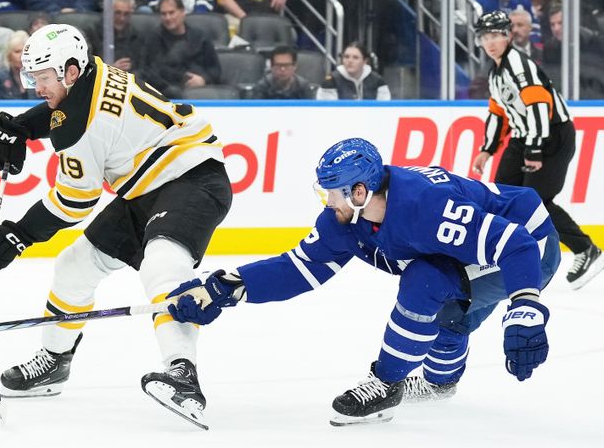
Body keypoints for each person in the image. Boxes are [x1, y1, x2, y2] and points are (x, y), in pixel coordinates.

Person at [165, 137, 560, 425]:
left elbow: (518, 244)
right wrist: (229, 286)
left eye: (332, 193)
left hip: (530, 245)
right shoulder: (346, 220)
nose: (326, 202)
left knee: (426, 281)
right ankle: (441, 384)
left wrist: (526, 306)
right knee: (448, 309)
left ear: (359, 190)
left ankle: (387, 383)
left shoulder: (425, 207)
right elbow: (298, 268)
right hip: (473, 252)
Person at [0, 23, 231, 429]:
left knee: (162, 265)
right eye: (33, 77)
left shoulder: (80, 129)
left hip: (193, 179)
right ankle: (54, 362)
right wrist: (23, 126)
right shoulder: (90, 71)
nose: (36, 87)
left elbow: (74, 202)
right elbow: (66, 108)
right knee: (75, 266)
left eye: (43, 78)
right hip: (146, 188)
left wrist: (16, 235)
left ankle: (183, 375)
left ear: (70, 72)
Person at [470, 11, 604, 289]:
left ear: (507, 35)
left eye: (496, 34)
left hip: (551, 136)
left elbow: (538, 105)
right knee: (502, 197)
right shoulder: (496, 72)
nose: (491, 41)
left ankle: (585, 249)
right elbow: (499, 112)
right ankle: (502, 253)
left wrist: (534, 149)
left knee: (536, 202)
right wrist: (487, 149)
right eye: (485, 36)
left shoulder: (518, 65)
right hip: (525, 137)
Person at [138, 0, 220, 98]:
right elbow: (148, 72)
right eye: (164, 14)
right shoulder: (153, 38)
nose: (168, 18)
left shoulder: (200, 37)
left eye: (171, 13)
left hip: (200, 92)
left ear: (182, 12)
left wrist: (203, 79)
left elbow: (215, 69)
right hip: (166, 94)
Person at [316, 42, 391, 100]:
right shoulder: (331, 81)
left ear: (365, 61)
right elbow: (328, 111)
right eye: (346, 57)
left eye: (355, 58)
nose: (350, 61)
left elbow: (384, 108)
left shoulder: (378, 81)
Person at [0, 30, 37, 99]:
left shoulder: (39, 78)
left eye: (26, 52)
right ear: (9, 56)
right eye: (17, 51)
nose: (22, 55)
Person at [111, 0, 142, 72]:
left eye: (126, 14)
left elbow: (144, 69)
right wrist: (111, 69)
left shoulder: (138, 36)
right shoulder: (94, 33)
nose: (122, 18)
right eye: (118, 13)